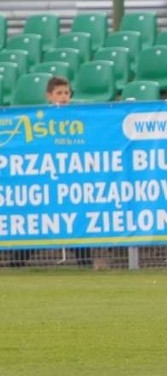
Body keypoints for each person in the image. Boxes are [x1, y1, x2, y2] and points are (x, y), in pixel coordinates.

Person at [46, 76, 93, 269]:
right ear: (49, 96)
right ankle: (19, 260)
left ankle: (85, 261)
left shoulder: (78, 116)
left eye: (66, 93)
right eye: (59, 93)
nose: (64, 97)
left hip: (73, 181)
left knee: (77, 218)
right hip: (50, 181)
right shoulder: (41, 118)